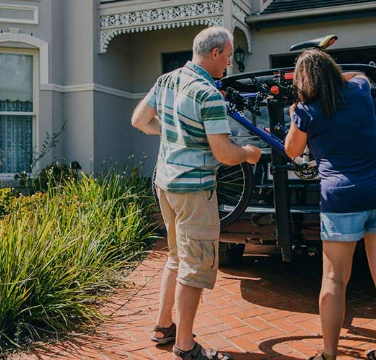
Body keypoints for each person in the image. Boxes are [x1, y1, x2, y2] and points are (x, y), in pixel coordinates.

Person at [131, 26, 262, 360]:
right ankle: (186, 345)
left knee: (176, 257)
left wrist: (173, 127)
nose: (229, 64)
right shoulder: (208, 94)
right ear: (215, 53)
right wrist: (248, 153)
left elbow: (140, 120)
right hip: (194, 189)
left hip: (165, 184)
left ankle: (163, 327)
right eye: (228, 56)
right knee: (196, 266)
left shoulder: (166, 81)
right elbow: (224, 154)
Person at [284, 49, 376, 360]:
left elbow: (291, 151)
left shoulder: (306, 112)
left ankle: (329, 355)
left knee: (335, 278)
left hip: (342, 197)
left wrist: (294, 114)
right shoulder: (359, 91)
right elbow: (360, 75)